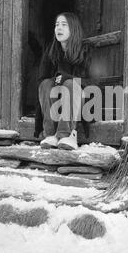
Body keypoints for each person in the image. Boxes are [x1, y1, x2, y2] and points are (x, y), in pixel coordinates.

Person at [34, 12, 92, 150]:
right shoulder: (50, 52)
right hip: (56, 102)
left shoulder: (86, 51)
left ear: (73, 28)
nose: (59, 28)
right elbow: (41, 82)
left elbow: (93, 82)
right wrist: (56, 81)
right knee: (46, 84)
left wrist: (67, 78)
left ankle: (67, 134)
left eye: (64, 25)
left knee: (70, 84)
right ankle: (50, 134)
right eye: (57, 25)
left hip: (81, 104)